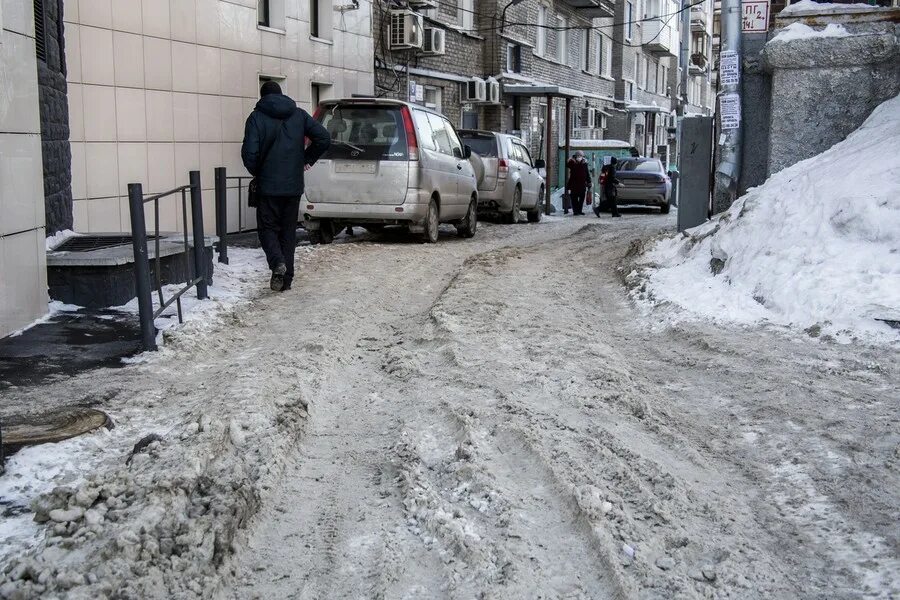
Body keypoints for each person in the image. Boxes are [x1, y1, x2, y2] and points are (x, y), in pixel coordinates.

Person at [242, 81, 331, 291]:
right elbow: (324, 138)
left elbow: (249, 153)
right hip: (292, 185)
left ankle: (277, 264)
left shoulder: (256, 118)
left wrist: (259, 172)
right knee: (288, 232)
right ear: (282, 95)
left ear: (262, 96)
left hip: (268, 186)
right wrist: (305, 159)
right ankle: (286, 280)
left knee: (267, 229)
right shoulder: (298, 115)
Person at [566, 151, 592, 216]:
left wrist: (589, 182)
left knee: (581, 198)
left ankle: (579, 211)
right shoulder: (572, 163)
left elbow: (587, 173)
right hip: (574, 184)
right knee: (574, 198)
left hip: (582, 184)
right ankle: (575, 211)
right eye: (578, 156)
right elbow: (568, 165)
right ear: (575, 156)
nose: (579, 157)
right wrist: (571, 159)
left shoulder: (584, 163)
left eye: (580, 156)